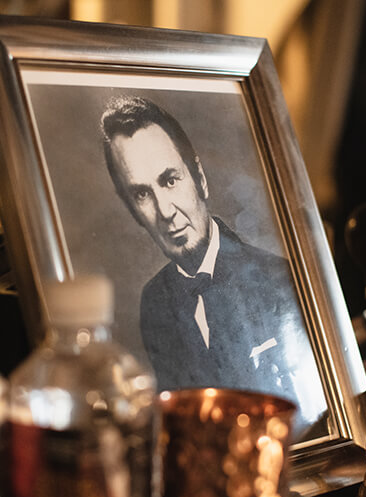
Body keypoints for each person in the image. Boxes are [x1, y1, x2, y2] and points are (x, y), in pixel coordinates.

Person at [99, 96, 325, 419]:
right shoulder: (154, 303)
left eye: (170, 180)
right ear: (133, 211)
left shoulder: (281, 281)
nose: (165, 212)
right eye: (142, 194)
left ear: (200, 179)